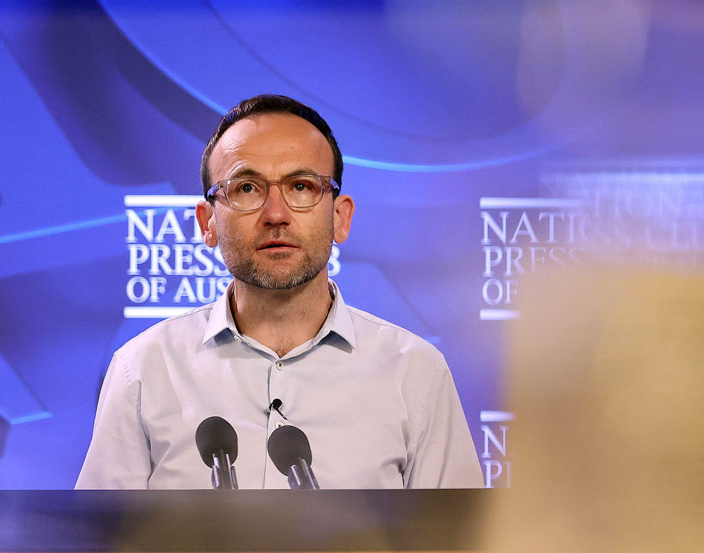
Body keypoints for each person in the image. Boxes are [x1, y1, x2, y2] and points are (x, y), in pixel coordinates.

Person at [76, 94, 482, 489]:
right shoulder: (144, 370)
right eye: (247, 189)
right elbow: (97, 552)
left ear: (341, 217)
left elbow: (460, 551)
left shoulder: (415, 374)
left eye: (301, 187)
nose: (276, 215)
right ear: (208, 223)